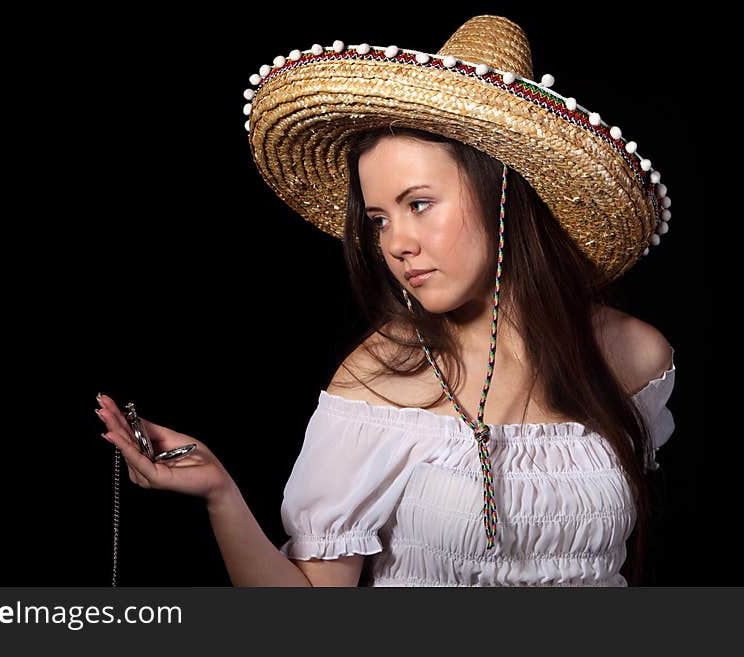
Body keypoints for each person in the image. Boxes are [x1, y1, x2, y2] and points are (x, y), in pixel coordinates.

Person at [96, 14, 676, 586]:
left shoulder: (636, 356)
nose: (395, 244)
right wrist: (220, 492)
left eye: (419, 204)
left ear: (506, 198)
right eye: (378, 219)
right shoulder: (379, 374)